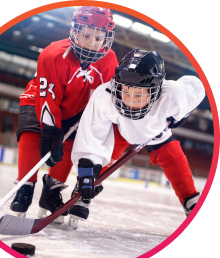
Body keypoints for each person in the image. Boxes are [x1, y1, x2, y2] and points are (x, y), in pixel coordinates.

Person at [10, 6, 129, 224]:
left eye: (98, 37)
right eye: (86, 35)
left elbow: (103, 100)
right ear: (75, 31)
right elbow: (48, 97)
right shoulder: (52, 54)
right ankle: (24, 188)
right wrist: (51, 128)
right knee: (32, 136)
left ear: (107, 37)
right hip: (40, 98)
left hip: (78, 108)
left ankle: (51, 192)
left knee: (69, 145)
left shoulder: (110, 61)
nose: (93, 42)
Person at [70, 48, 205, 228]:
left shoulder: (173, 95)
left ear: (156, 91)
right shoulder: (105, 95)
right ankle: (83, 192)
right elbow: (92, 137)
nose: (130, 100)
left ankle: (190, 199)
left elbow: (196, 86)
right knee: (103, 156)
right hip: (121, 126)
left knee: (173, 156)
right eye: (126, 91)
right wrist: (86, 174)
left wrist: (184, 113)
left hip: (155, 129)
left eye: (139, 94)